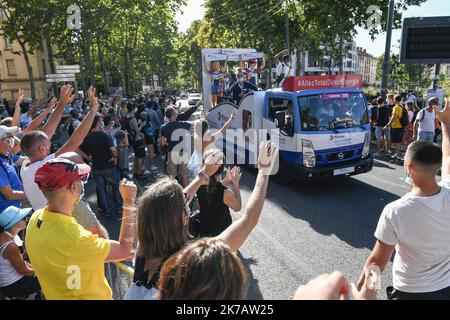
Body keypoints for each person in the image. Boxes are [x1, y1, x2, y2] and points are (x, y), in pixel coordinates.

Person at [125, 142, 277, 300]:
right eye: (184, 207)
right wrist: (263, 171)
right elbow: (249, 219)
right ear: (184, 218)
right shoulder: (189, 265)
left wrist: (203, 174)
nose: (186, 202)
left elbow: (164, 207)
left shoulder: (143, 250)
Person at [357, 99, 450, 300]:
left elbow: (376, 264)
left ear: (408, 168)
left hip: (411, 292)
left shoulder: (396, 211)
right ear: (437, 169)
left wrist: (364, 294)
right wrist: (445, 125)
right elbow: (448, 158)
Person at [25, 158, 137, 300]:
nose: (82, 183)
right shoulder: (76, 239)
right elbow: (125, 250)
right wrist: (128, 201)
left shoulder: (35, 219)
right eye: (80, 179)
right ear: (73, 187)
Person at [80, 115, 122, 217]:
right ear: (98, 123)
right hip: (108, 166)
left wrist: (88, 157)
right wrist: (115, 157)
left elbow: (77, 148)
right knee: (115, 187)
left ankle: (106, 210)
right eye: (101, 120)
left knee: (101, 190)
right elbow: (113, 149)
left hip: (96, 167)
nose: (102, 122)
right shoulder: (103, 135)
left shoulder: (88, 136)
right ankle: (119, 208)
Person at [196, 152, 242, 237]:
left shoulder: (198, 184)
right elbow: (237, 207)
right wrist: (235, 183)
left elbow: (214, 190)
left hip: (204, 232)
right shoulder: (226, 193)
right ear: (220, 169)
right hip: (221, 236)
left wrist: (227, 180)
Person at [0, 206, 41, 299]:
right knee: (48, 279)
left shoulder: (3, 236)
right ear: (15, 224)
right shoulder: (11, 246)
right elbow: (24, 271)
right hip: (13, 286)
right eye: (23, 218)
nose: (26, 219)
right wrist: (42, 270)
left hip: (6, 283)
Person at [188, 111, 237, 175]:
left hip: (197, 162)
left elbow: (200, 126)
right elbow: (223, 130)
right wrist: (232, 118)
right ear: (207, 129)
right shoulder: (209, 139)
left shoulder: (196, 136)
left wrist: (203, 118)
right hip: (206, 163)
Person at [160, 107, 192, 187]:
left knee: (172, 178)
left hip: (171, 153)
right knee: (185, 176)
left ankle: (174, 196)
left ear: (167, 117)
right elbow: (195, 126)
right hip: (183, 152)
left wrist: (168, 143)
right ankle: (187, 196)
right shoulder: (183, 124)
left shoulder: (163, 127)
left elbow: (162, 143)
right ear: (174, 115)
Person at [0, 126, 26, 214]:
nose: (11, 139)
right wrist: (32, 195)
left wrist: (45, 158)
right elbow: (9, 195)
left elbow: (23, 160)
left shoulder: (7, 154)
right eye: (8, 136)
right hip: (6, 214)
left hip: (15, 209)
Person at [384, 95, 405, 161]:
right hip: (401, 126)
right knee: (398, 141)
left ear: (395, 100)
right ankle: (397, 154)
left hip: (396, 126)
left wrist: (387, 125)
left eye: (393, 99)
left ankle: (398, 155)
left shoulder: (396, 107)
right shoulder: (401, 106)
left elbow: (394, 117)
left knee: (397, 142)